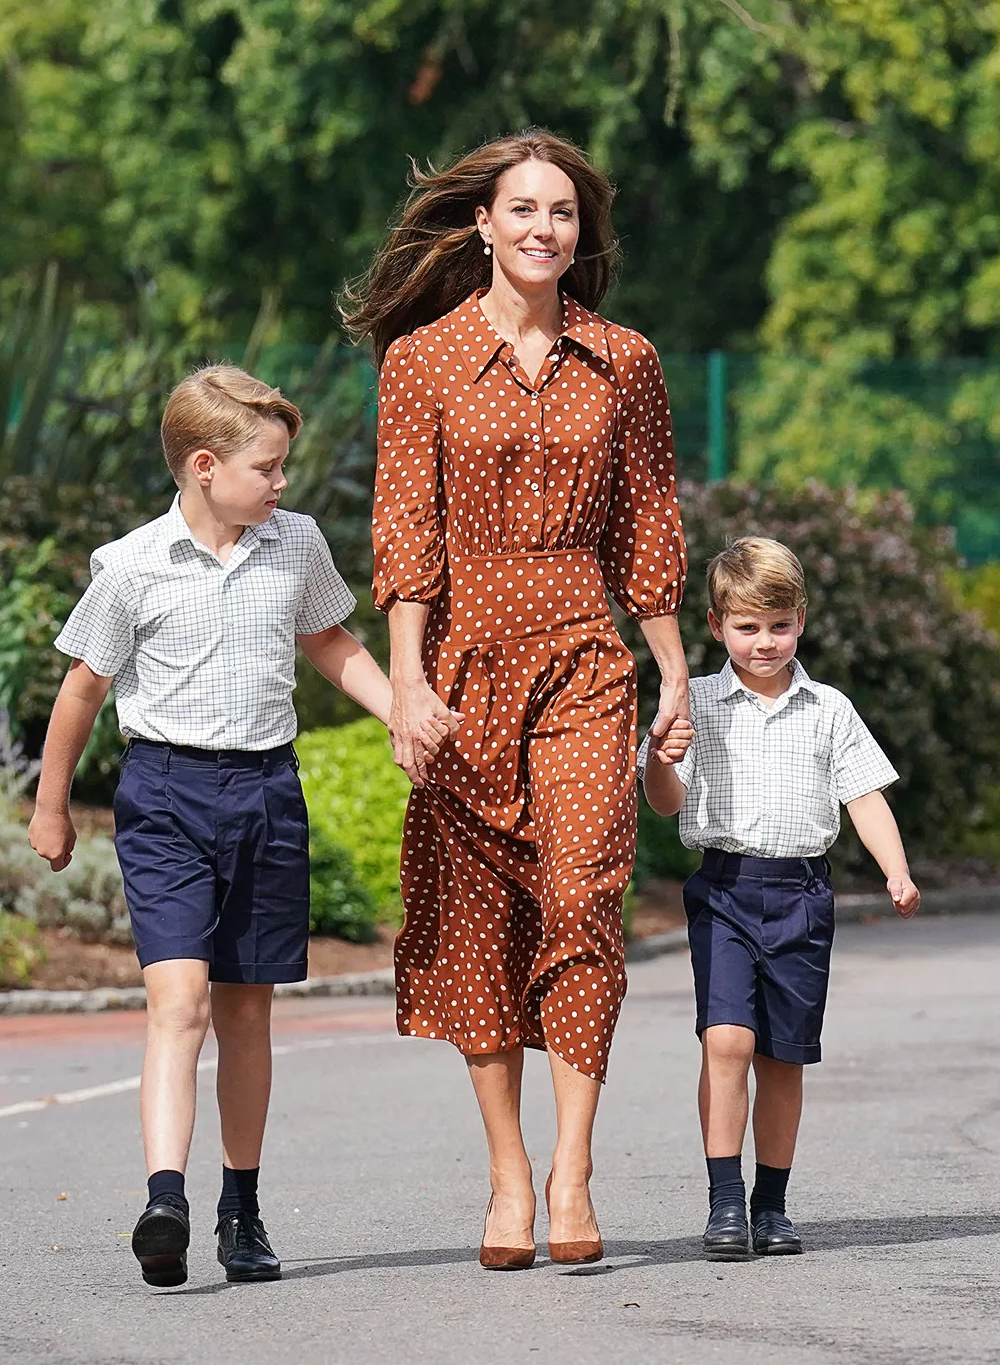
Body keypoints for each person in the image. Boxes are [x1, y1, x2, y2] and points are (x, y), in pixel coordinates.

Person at [344, 127, 690, 1271]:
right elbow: (405, 531)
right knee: (478, 918)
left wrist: (674, 667)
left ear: (579, 234)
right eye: (524, 210)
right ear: (482, 225)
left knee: (585, 886)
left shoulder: (624, 360)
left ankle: (573, 1167)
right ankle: (504, 1175)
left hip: (587, 652)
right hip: (460, 662)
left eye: (564, 214)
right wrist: (405, 686)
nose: (545, 229)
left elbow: (646, 522)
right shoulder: (423, 362)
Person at [27, 366, 397, 1288]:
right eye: (267, 468)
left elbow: (330, 642)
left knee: (245, 1011)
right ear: (203, 466)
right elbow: (84, 687)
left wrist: (402, 711)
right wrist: (51, 800)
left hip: (267, 793)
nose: (282, 484)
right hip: (164, 796)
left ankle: (241, 1206)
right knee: (179, 1003)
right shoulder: (130, 566)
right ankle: (166, 1199)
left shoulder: (296, 544)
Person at [639, 537, 921, 1260]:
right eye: (747, 627)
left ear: (801, 620)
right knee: (726, 1040)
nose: (764, 642)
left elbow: (864, 795)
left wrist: (896, 870)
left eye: (779, 625)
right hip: (726, 887)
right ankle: (724, 1201)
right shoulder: (694, 701)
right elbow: (665, 803)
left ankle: (771, 1204)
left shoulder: (829, 709)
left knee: (783, 1059)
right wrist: (660, 760)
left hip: (801, 892)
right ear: (715, 626)